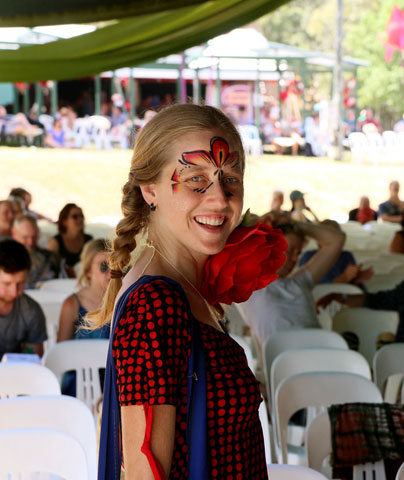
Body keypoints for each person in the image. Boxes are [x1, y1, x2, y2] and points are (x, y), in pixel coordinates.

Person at [89, 104, 270, 478]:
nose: (220, 199)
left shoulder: (185, 289)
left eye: (230, 178)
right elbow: (143, 472)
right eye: (195, 180)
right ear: (150, 189)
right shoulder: (156, 303)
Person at [239, 221, 345, 347]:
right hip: (284, 363)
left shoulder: (300, 282)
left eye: (298, 253)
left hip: (322, 354)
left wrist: (298, 225)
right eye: (289, 251)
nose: (295, 259)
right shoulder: (247, 284)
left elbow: (337, 240)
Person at [0, 239, 47, 359]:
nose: (14, 291)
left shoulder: (31, 311)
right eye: (7, 283)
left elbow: (33, 359)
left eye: (20, 283)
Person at [57, 239, 112, 343]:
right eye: (104, 266)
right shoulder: (72, 305)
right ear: (88, 271)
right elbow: (61, 351)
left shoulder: (124, 302)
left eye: (115, 265)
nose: (111, 273)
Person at [298, 220, 373, 287]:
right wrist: (345, 277)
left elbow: (353, 285)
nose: (337, 238)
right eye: (333, 234)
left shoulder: (346, 255)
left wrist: (357, 278)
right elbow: (315, 288)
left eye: (339, 233)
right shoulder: (309, 257)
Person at [11, 215, 60, 287]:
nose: (31, 242)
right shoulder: (4, 258)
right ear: (14, 233)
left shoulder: (50, 258)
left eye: (34, 237)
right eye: (25, 237)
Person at [46, 203, 93, 277]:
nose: (80, 219)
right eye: (75, 217)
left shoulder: (89, 240)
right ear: (64, 221)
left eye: (81, 216)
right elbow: (47, 267)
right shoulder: (55, 242)